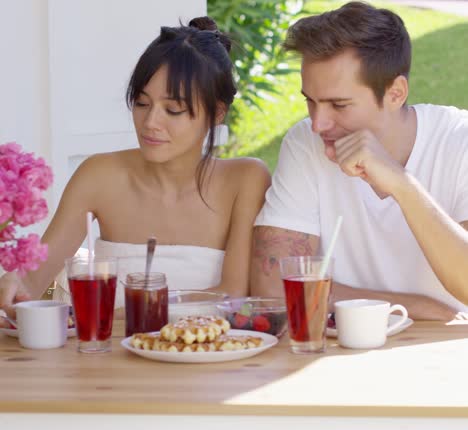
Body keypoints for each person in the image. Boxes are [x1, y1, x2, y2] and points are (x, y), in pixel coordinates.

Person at [0, 16, 271, 324]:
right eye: (142, 103)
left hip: (206, 359)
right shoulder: (98, 175)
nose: (150, 123)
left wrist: (120, 314)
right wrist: (14, 285)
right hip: (106, 364)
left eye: (173, 110)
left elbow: (232, 296)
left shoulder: (246, 180)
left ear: (217, 113)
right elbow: (33, 281)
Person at [250, 1, 468, 320]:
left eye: (339, 105)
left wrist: (402, 185)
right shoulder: (305, 143)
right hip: (340, 352)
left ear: (395, 93)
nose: (317, 124)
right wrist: (418, 308)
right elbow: (272, 289)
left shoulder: (459, 140)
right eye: (310, 102)